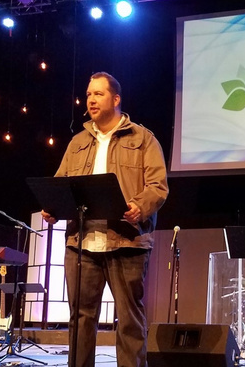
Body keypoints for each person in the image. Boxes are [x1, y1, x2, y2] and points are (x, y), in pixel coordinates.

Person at [41, 71, 168, 367]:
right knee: (80, 319)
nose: (91, 99)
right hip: (81, 243)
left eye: (98, 94)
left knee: (129, 320)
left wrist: (139, 206)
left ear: (116, 99)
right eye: (88, 94)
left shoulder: (143, 139)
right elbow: (61, 181)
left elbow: (158, 186)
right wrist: (52, 206)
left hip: (126, 240)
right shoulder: (77, 142)